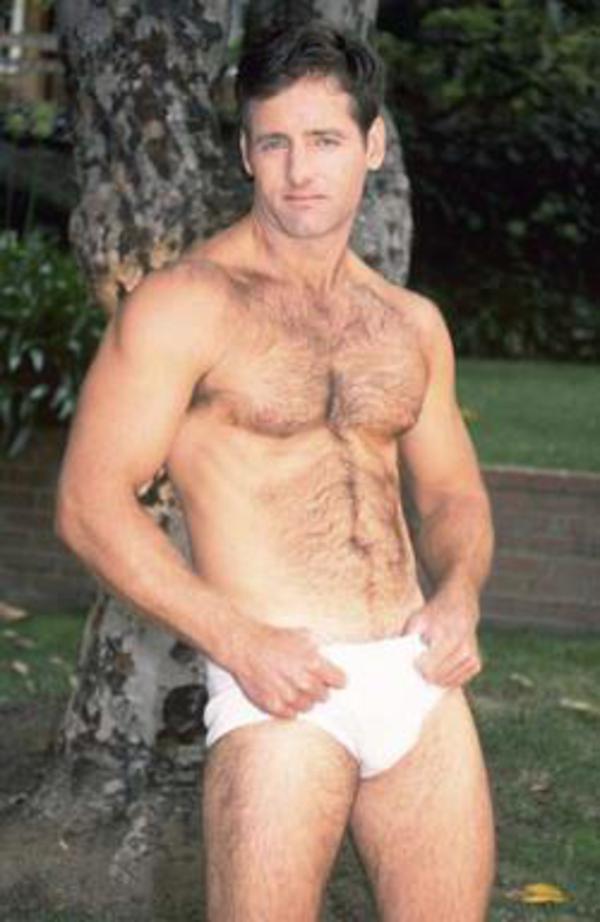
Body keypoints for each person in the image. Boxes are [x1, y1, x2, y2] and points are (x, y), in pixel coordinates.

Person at [56, 20, 495, 922]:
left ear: (372, 145)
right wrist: (237, 640)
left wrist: (460, 594)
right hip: (280, 691)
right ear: (246, 153)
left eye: (325, 140)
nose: (299, 170)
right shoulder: (185, 304)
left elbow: (453, 493)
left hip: (416, 678)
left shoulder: (411, 323)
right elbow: (89, 504)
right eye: (274, 142)